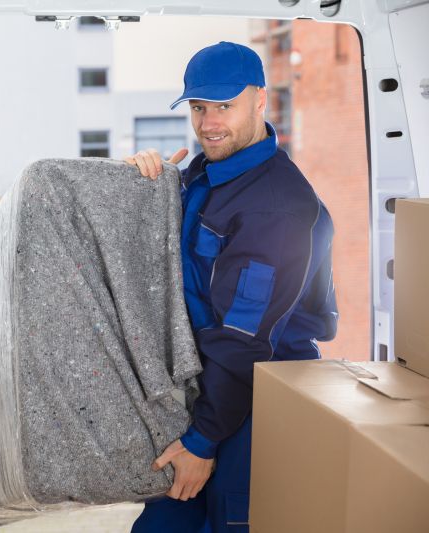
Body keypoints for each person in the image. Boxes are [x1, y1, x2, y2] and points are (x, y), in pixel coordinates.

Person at [125, 42, 338, 532]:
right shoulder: (207, 172)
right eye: (199, 108)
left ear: (260, 100)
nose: (209, 123)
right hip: (212, 383)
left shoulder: (275, 207)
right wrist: (141, 186)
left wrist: (204, 441)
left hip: (260, 391)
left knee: (231, 521)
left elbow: (245, 340)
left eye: (225, 106)